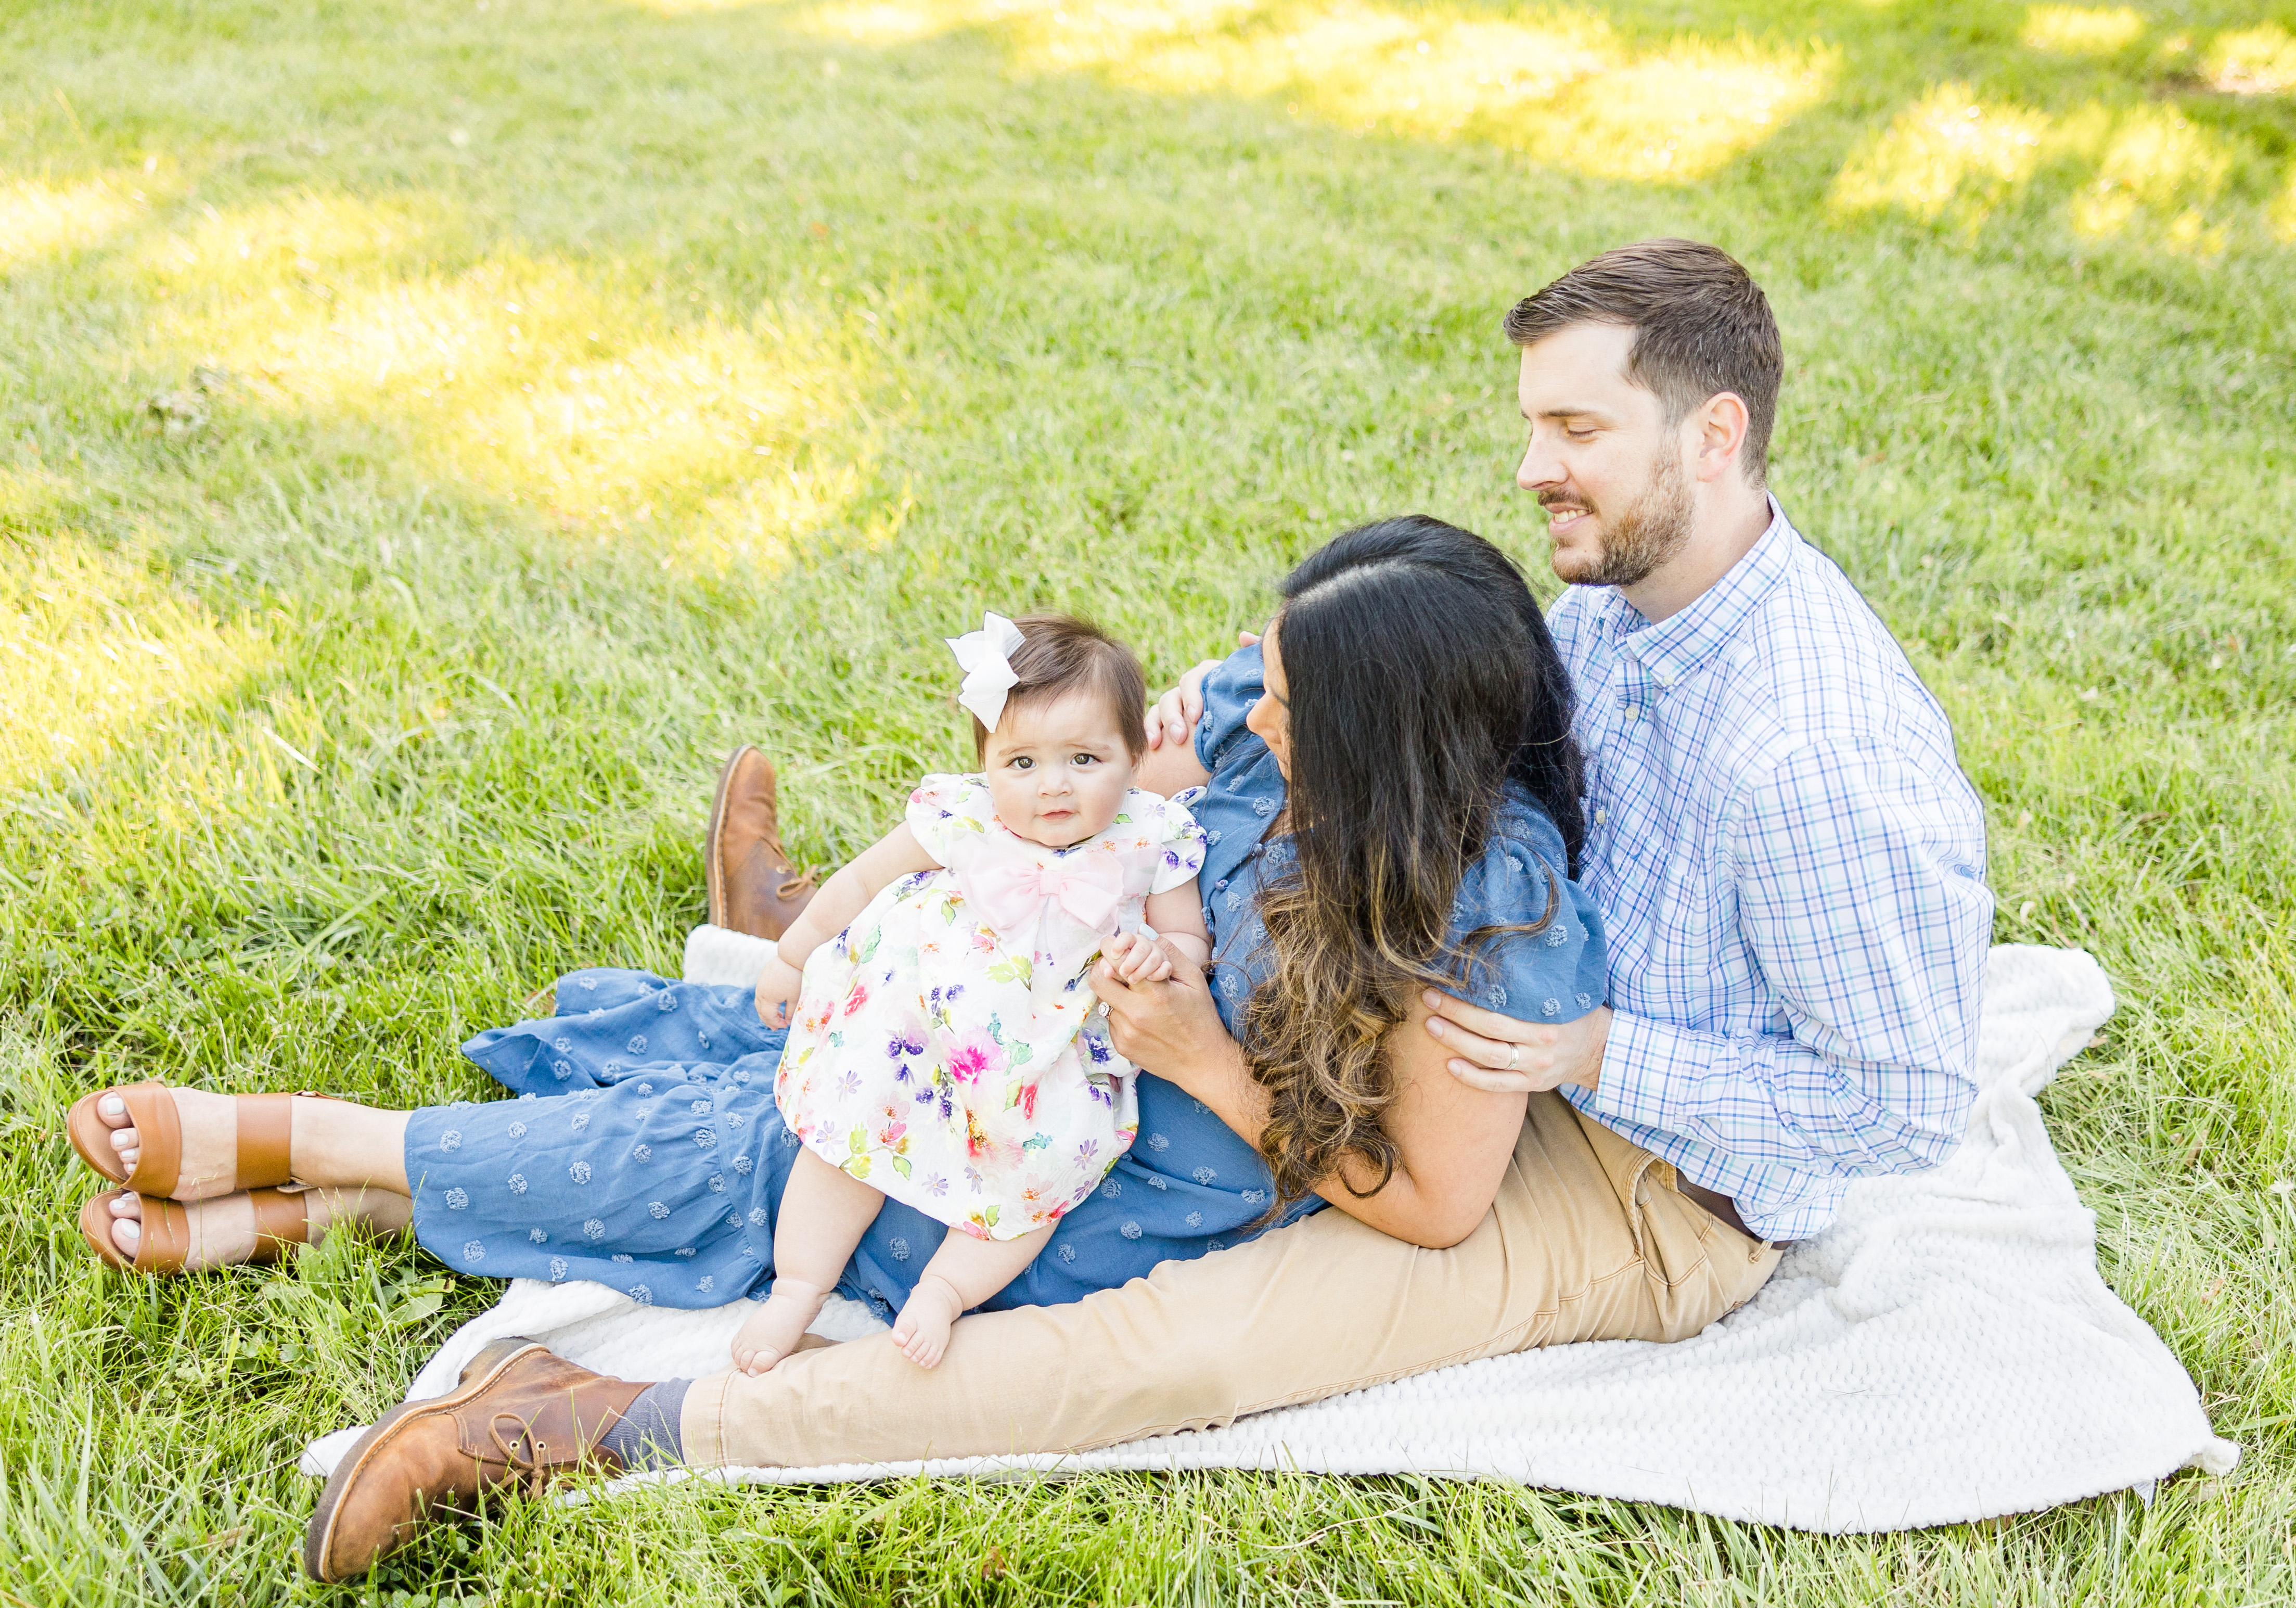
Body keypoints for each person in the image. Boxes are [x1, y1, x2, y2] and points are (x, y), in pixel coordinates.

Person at [285, 239, 1997, 1578]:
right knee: (1003, 1029)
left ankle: (596, 1423)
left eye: (1573, 431)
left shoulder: (1816, 753)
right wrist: (1211, 729)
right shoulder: (1624, 577)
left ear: (1712, 435)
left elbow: (1905, 1101)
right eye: (1531, 424)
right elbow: (1420, 708)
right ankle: (825, 943)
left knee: (1173, 1347)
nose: (1534, 466)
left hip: (1638, 1176)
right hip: (1462, 991)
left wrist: (1597, 1046)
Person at [60, 517, 1640, 1582]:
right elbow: (1112, 743)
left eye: (1291, 701)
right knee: (771, 1060)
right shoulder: (1260, 721)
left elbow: (1435, 1201)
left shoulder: (1483, 903)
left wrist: (1195, 1058)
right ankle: (341, 1199)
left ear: (1388, 745)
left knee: (755, 1156)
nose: (1248, 707)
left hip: (1098, 1169)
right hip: (1004, 1033)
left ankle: (333, 1145)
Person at [736, 611, 1209, 1372]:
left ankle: (947, 1290)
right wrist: (791, 955)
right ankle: (797, 1287)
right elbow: (862, 878)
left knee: (1048, 1168)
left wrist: (1156, 953)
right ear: (987, 759)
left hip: (1046, 1053)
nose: (1052, 784)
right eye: (1021, 762)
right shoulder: (963, 814)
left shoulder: (1154, 837)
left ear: (1136, 752)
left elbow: (1189, 941)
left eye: (1084, 758)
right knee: (848, 1131)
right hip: (916, 1022)